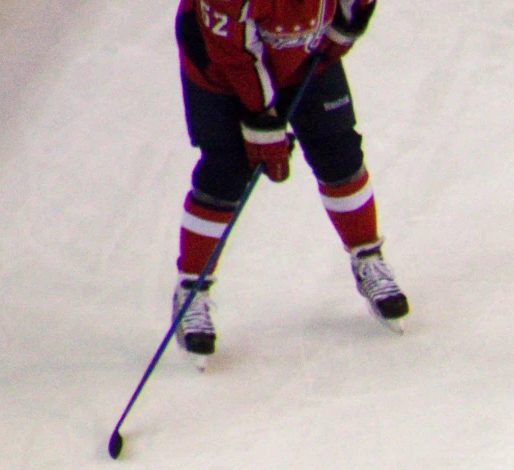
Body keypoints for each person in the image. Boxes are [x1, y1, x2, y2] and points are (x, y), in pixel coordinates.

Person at [167, 0, 407, 361]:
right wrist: (264, 120)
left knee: (339, 151)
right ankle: (191, 288)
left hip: (304, 53)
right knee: (227, 169)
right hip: (220, 66)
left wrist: (346, 25)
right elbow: (236, 57)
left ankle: (367, 255)